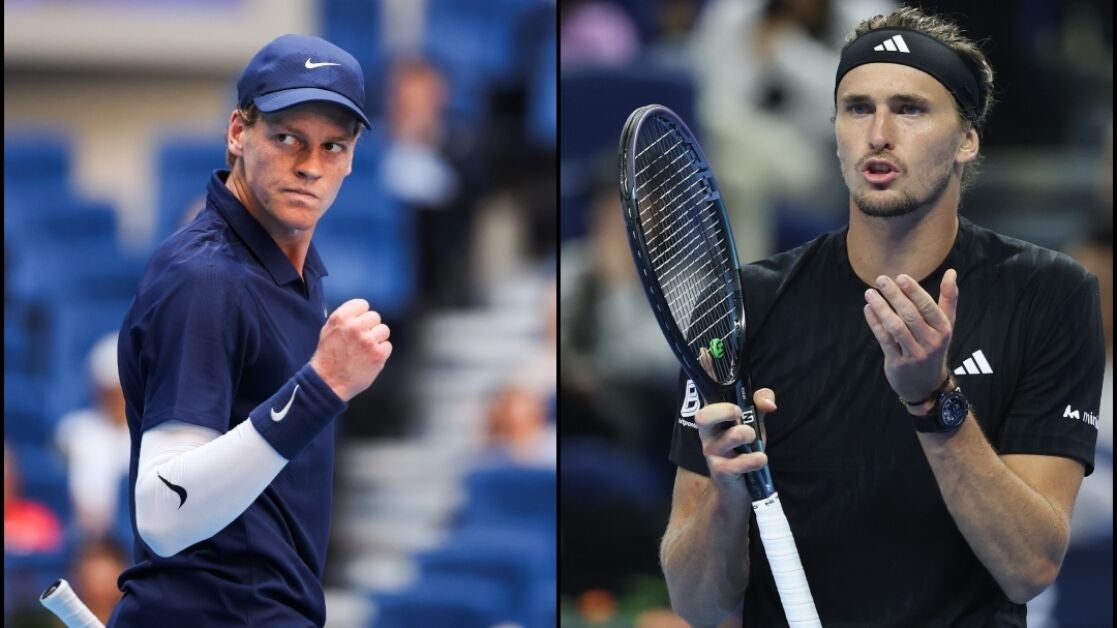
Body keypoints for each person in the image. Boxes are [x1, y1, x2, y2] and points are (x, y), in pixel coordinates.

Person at [659, 7, 1105, 626]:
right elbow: (697, 605)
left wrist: (933, 402)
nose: (878, 133)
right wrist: (727, 497)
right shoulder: (742, 306)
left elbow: (1029, 566)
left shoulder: (1049, 294)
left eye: (911, 109)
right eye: (857, 108)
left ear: (967, 140)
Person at [108, 34, 393, 627]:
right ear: (238, 132)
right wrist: (321, 386)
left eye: (333, 146)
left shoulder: (290, 272)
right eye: (288, 138)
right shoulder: (207, 279)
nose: (310, 165)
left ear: (351, 159)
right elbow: (163, 514)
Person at [54, 332, 130, 542]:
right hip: (83, 541)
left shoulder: (151, 434)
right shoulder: (72, 430)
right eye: (109, 391)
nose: (117, 398)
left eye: (121, 390)